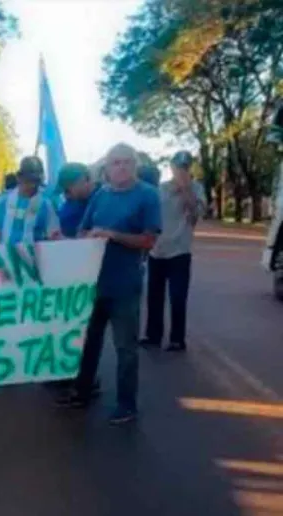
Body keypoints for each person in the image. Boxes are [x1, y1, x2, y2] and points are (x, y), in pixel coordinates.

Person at [58, 143, 162, 425]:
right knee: (88, 342)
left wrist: (112, 235)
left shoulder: (148, 196)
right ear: (107, 168)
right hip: (94, 283)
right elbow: (83, 229)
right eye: (116, 162)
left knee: (125, 348)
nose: (122, 167)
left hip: (125, 286)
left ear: (135, 165)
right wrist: (86, 237)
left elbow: (149, 240)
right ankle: (81, 391)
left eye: (127, 161)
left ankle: (126, 405)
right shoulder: (100, 195)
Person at [141, 150, 206, 352]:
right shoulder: (160, 189)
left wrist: (186, 189)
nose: (181, 171)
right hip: (157, 251)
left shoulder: (197, 189)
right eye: (178, 167)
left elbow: (195, 217)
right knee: (154, 297)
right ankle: (153, 335)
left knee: (178, 297)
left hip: (180, 252)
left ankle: (177, 339)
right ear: (171, 167)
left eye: (185, 167)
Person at [55, 162, 99, 238]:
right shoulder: (68, 207)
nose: (66, 195)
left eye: (68, 190)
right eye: (64, 191)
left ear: (86, 179)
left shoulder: (105, 198)